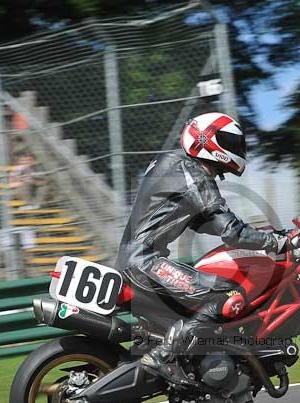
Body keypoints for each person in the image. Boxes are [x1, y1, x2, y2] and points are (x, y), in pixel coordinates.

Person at [115, 112, 288, 387]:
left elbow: (201, 220)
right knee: (227, 294)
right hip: (145, 263)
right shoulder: (192, 174)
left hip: (137, 261)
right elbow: (230, 231)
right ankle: (166, 355)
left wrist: (264, 234)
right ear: (208, 140)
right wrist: (277, 242)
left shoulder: (173, 163)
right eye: (231, 142)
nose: (237, 149)